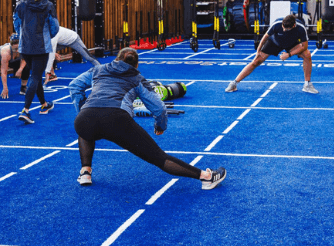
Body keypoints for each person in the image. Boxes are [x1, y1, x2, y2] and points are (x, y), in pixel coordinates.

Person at [69, 47, 226, 189]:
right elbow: (159, 108)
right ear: (136, 65)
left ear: (116, 59)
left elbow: (74, 86)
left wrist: (82, 109)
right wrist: (160, 126)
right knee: (158, 157)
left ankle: (85, 172)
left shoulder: (98, 69)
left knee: (85, 129)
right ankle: (207, 177)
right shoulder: (138, 79)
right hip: (116, 120)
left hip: (85, 118)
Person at [225, 14, 318, 94]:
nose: (284, 30)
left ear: (293, 26)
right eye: (283, 27)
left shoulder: (301, 28)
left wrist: (289, 54)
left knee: (307, 54)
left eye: (287, 29)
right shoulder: (277, 25)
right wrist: (258, 51)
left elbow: (304, 46)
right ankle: (234, 83)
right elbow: (265, 37)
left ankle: (307, 85)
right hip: (274, 42)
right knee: (256, 61)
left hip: (291, 44)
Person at [13, 0, 59, 124]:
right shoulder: (48, 5)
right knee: (35, 76)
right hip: (41, 46)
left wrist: (24, 35)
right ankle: (25, 110)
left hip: (25, 46)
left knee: (36, 75)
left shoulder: (20, 5)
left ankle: (44, 105)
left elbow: (16, 25)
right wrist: (48, 37)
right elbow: (55, 27)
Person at [0, 33, 30, 98]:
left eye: (18, 48)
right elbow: (4, 71)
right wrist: (5, 88)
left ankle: (23, 87)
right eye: (15, 49)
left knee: (26, 66)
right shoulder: (6, 52)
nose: (17, 51)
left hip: (13, 60)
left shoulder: (24, 47)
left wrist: (20, 69)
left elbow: (24, 59)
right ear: (11, 45)